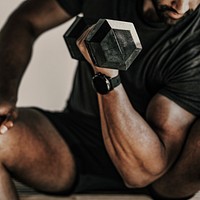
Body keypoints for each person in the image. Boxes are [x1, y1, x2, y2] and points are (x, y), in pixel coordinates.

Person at [0, 0, 199, 199]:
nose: (181, 7)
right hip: (75, 142)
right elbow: (27, 19)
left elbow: (139, 174)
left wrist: (107, 77)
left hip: (160, 173)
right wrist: (5, 93)